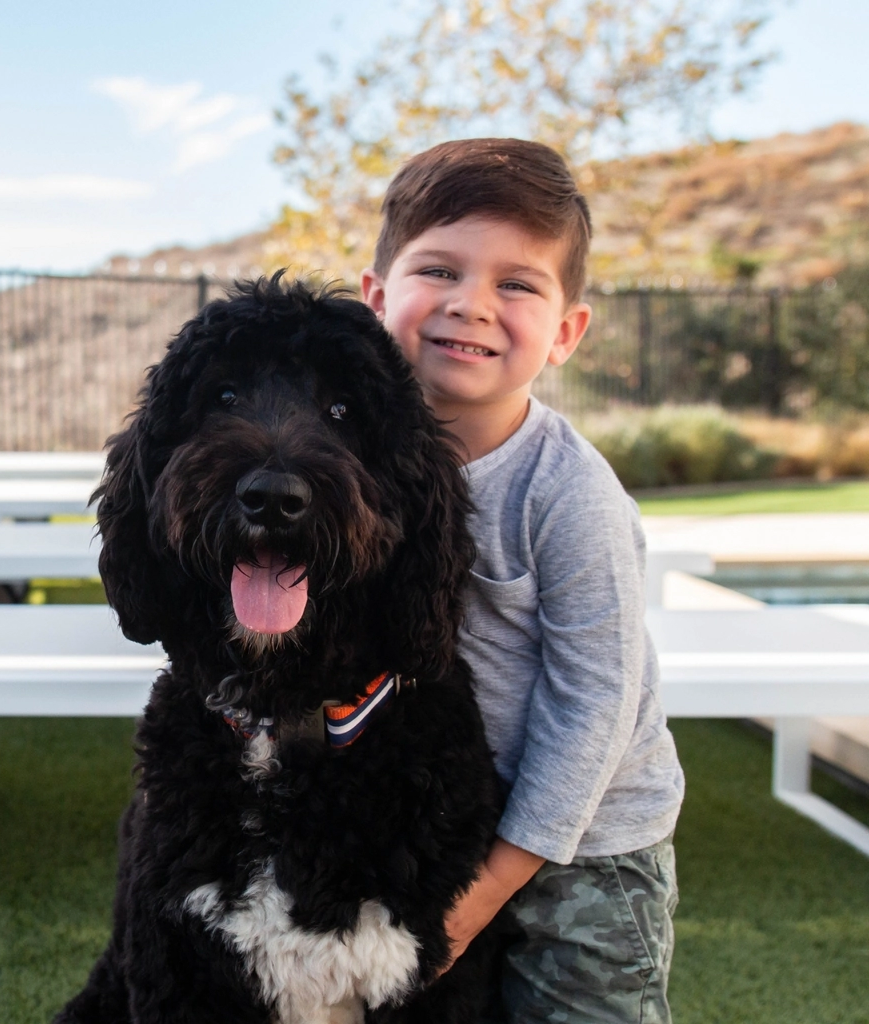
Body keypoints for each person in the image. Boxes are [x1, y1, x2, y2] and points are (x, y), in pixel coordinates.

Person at [359, 138, 686, 1023]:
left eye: (518, 283)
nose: (473, 305)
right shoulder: (364, 465)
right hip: (458, 816)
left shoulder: (569, 493)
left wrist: (481, 894)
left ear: (567, 331)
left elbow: (597, 704)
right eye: (440, 269)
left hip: (592, 846)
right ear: (376, 297)